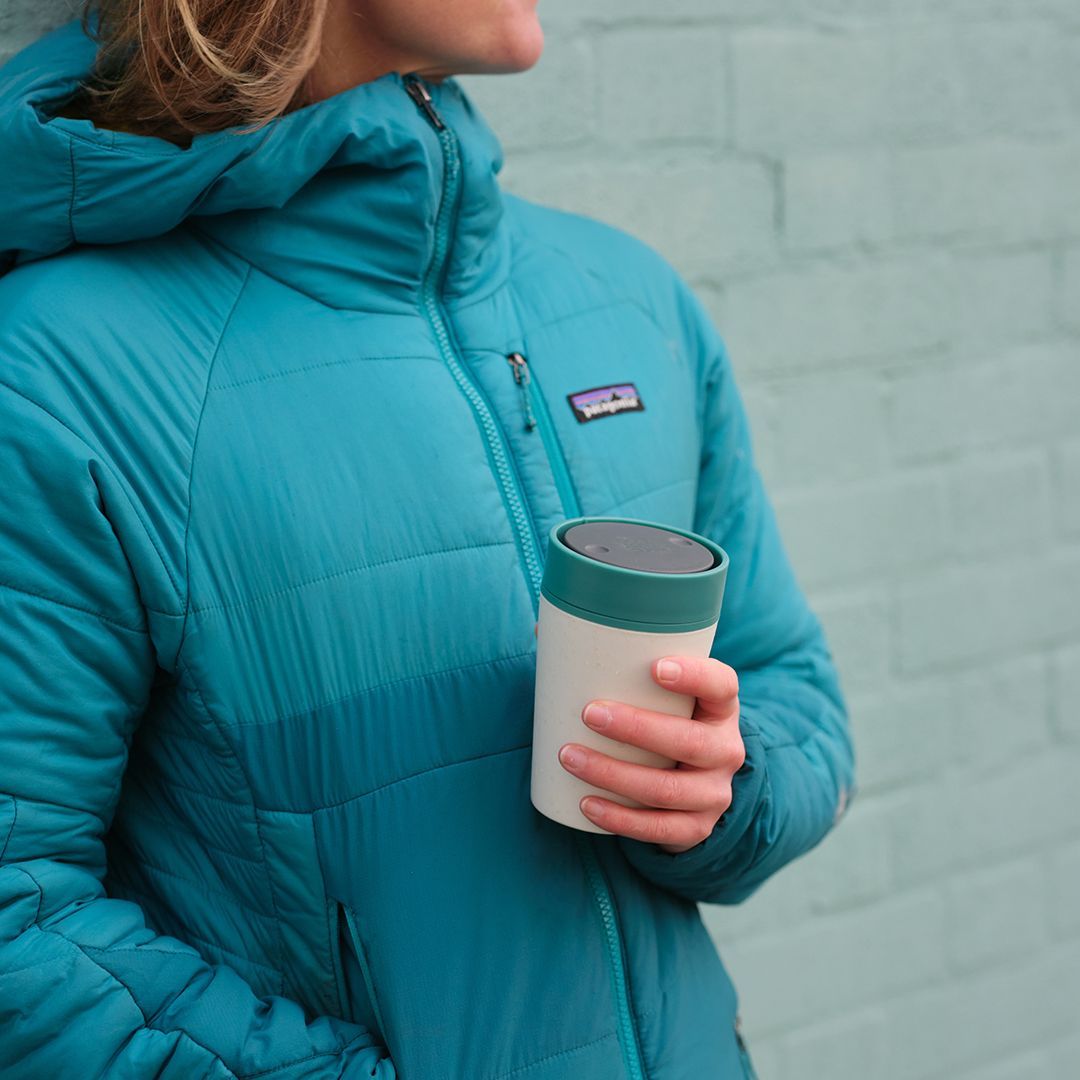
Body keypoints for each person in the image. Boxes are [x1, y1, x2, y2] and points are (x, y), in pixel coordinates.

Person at [0, 2, 856, 1077]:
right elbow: (18, 924)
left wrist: (726, 792)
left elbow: (791, 684)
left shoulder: (627, 300)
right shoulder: (57, 371)